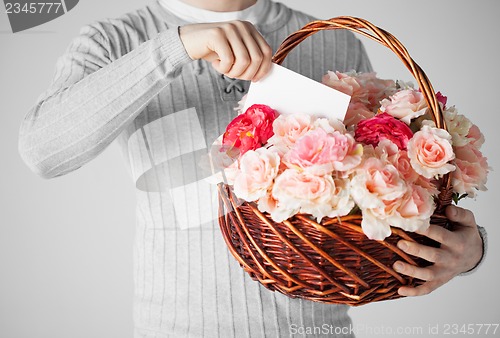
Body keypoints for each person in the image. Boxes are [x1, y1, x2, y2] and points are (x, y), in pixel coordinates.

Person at [18, 0, 487, 337]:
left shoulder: (333, 43)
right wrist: (173, 49)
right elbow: (43, 151)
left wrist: (465, 250)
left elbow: (372, 205)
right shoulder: (116, 41)